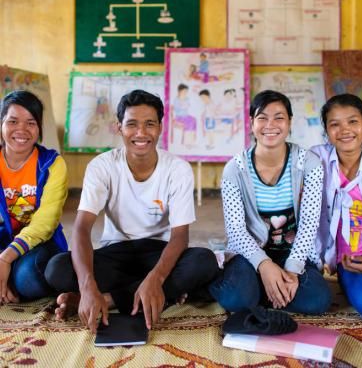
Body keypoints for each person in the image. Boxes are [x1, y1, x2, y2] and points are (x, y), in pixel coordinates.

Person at [45, 90, 219, 333]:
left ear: (160, 127)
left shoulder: (178, 169)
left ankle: (109, 300)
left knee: (203, 261)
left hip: (159, 252)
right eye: (132, 124)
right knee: (57, 268)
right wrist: (86, 287)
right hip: (115, 253)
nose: (141, 133)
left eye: (149, 124)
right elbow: (82, 228)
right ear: (119, 128)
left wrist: (156, 278)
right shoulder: (102, 166)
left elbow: (180, 237)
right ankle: (160, 293)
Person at [209, 90, 331, 316]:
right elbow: (236, 231)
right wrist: (264, 265)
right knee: (235, 300)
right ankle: (262, 286)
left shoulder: (309, 164)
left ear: (290, 122)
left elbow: (309, 225)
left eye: (279, 117)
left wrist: (293, 270)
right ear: (251, 123)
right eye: (262, 117)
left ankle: (265, 290)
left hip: (292, 252)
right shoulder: (235, 169)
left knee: (318, 301)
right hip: (250, 253)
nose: (270, 124)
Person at [311, 94, 362, 321]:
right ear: (327, 131)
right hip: (352, 259)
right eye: (335, 124)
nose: (345, 130)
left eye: (352, 121)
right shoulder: (316, 160)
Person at [0, 90, 68, 303]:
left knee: (27, 279)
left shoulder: (52, 164)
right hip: (4, 238)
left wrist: (5, 258)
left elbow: (45, 224)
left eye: (30, 122)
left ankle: (11, 283)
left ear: (39, 128)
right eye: (13, 121)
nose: (21, 130)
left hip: (41, 242)